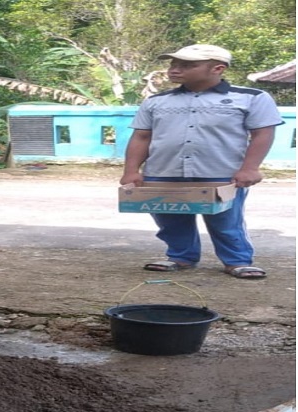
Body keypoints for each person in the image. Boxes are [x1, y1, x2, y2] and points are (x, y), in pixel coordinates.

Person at [120, 44, 283, 279]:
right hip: (163, 172)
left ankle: (237, 261)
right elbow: (142, 136)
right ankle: (180, 256)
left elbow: (262, 134)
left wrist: (250, 168)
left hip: (221, 173)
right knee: (170, 218)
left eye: (186, 65)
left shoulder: (251, 98)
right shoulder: (156, 101)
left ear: (217, 68)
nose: (175, 70)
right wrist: (131, 171)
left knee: (226, 220)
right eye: (173, 64)